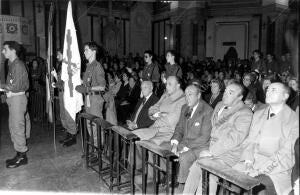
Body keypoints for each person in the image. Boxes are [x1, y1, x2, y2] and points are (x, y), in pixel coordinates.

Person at [183, 82, 253, 194]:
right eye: (225, 91)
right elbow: (213, 129)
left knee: (210, 174)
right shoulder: (220, 104)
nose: (225, 94)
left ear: (240, 97)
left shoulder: (245, 112)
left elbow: (234, 139)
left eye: (231, 93)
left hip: (229, 153)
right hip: (212, 147)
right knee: (195, 168)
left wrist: (211, 151)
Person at [233, 82, 299, 195]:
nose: (268, 92)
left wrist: (260, 171)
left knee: (257, 187)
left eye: (274, 90)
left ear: (285, 96)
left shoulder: (294, 120)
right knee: (230, 179)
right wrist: (248, 162)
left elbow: (287, 155)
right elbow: (250, 141)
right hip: (252, 162)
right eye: (268, 89)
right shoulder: (258, 114)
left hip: (276, 170)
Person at [167, 84, 213, 191]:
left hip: (200, 146)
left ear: (198, 95)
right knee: (168, 150)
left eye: (190, 94)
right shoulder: (185, 107)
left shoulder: (208, 111)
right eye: (186, 95)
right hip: (186, 143)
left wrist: (184, 147)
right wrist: (175, 143)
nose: (187, 98)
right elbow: (179, 128)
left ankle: (183, 186)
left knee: (184, 157)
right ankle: (171, 178)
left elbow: (204, 138)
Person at [1, 41, 30, 168]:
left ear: (13, 50)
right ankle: (18, 153)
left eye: (5, 49)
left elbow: (16, 86)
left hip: (18, 99)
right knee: (13, 126)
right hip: (14, 99)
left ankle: (22, 156)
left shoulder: (18, 65)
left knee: (17, 128)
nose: (3, 52)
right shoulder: (12, 64)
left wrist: (2, 87)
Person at [75, 41, 106, 145]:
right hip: (88, 98)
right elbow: (85, 83)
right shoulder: (88, 66)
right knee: (89, 124)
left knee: (96, 126)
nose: (84, 52)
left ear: (93, 51)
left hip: (95, 100)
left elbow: (102, 87)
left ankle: (100, 152)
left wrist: (88, 89)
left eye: (86, 50)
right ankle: (94, 148)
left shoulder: (97, 66)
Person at [51, 50, 77, 147]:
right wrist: (55, 76)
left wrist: (57, 83)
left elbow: (67, 82)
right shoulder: (61, 66)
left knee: (68, 114)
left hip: (67, 93)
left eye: (58, 54)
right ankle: (68, 134)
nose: (57, 57)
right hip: (61, 93)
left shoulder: (68, 65)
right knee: (63, 115)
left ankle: (73, 136)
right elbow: (61, 81)